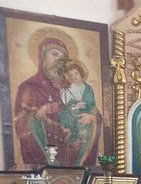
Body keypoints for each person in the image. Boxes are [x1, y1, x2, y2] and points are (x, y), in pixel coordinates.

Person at [14, 37, 99, 167]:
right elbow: (21, 124)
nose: (59, 60)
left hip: (75, 155)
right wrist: (39, 114)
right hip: (46, 158)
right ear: (43, 58)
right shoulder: (30, 87)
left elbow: (94, 113)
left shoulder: (73, 87)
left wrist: (92, 118)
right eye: (54, 54)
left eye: (63, 57)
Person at [59, 61, 99, 165]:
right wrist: (75, 106)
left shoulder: (87, 88)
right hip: (70, 114)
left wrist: (87, 110)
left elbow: (91, 104)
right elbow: (65, 103)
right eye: (71, 75)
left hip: (84, 115)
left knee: (84, 133)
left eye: (76, 73)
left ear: (81, 73)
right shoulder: (68, 88)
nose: (74, 77)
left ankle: (80, 159)